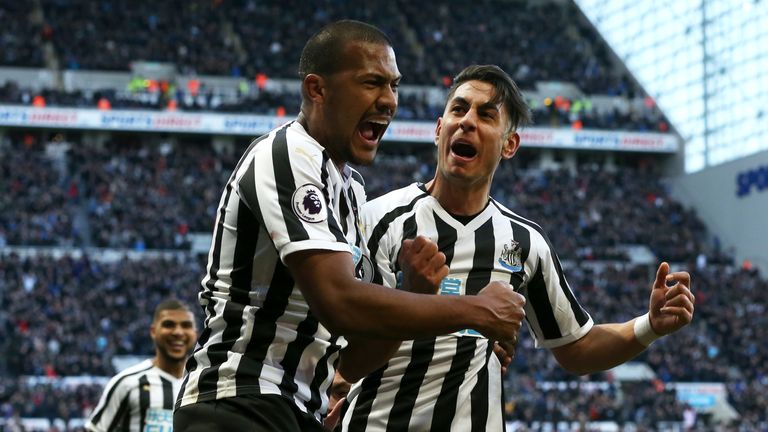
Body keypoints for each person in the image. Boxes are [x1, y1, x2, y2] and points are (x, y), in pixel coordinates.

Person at [174, 21, 526, 432]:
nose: (388, 101)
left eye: (393, 86)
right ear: (317, 89)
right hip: (237, 400)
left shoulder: (351, 191)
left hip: (298, 409)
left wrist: (413, 296)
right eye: (371, 83)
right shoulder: (287, 153)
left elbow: (356, 356)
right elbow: (338, 301)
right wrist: (475, 311)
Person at [333, 65, 696, 431]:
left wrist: (649, 326)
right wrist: (414, 297)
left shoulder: (525, 242)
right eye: (458, 110)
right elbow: (344, 356)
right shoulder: (379, 220)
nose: (467, 122)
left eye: (486, 115)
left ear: (509, 145)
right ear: (439, 129)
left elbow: (576, 347)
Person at [86, 299, 197, 432]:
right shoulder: (127, 384)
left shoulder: (206, 386)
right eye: (169, 325)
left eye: (186, 325)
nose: (178, 332)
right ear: (153, 331)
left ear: (195, 333)